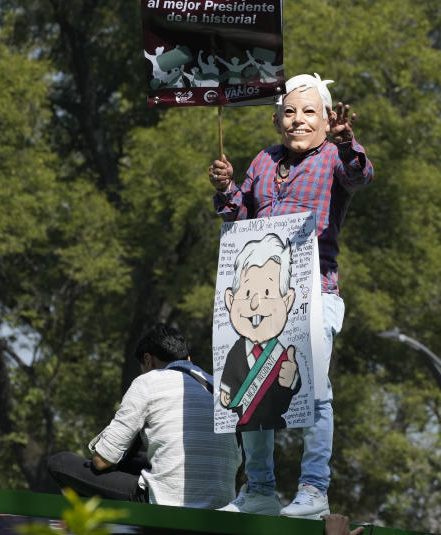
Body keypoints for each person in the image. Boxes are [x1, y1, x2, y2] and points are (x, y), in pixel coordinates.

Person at [208, 73, 374, 519]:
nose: (298, 120)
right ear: (278, 119)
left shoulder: (335, 159)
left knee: (315, 387)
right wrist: (224, 188)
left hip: (315, 290)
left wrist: (347, 144)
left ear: (326, 120)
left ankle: (314, 490)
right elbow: (235, 213)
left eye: (309, 112)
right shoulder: (264, 160)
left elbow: (361, 178)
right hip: (255, 297)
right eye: (289, 111)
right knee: (251, 389)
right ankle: (260, 489)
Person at [46, 324, 240, 508]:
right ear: (188, 359)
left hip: (165, 503)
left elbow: (102, 460)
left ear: (148, 360)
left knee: (60, 463)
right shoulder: (219, 388)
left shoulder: (148, 382)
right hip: (222, 504)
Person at [219, 233, 301, 431]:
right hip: (245, 422)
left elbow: (291, 386)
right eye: (247, 293)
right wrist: (225, 392)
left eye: (267, 293)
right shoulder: (236, 352)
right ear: (230, 299)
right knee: (253, 457)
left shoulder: (282, 355)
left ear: (287, 300)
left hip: (275, 420)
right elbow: (229, 375)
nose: (255, 304)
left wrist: (292, 380)